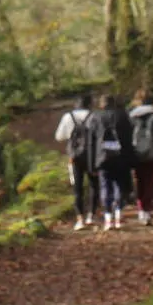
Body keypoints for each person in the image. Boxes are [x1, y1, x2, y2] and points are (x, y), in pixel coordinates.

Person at [88, 92, 134, 230]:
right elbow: (129, 139)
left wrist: (92, 165)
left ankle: (108, 218)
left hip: (102, 157)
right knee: (119, 185)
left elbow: (91, 142)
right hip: (120, 157)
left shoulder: (95, 117)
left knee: (105, 186)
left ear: (101, 104)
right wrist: (130, 159)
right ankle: (118, 216)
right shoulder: (122, 116)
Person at [53, 94, 97, 231]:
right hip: (92, 156)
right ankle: (91, 215)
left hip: (74, 157)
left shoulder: (68, 117)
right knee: (94, 185)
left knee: (77, 188)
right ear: (89, 104)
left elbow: (59, 137)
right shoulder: (94, 116)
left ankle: (80, 219)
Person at [128, 89, 153, 226]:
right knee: (149, 182)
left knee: (139, 181)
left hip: (136, 154)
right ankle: (147, 210)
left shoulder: (131, 116)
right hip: (152, 154)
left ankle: (140, 209)